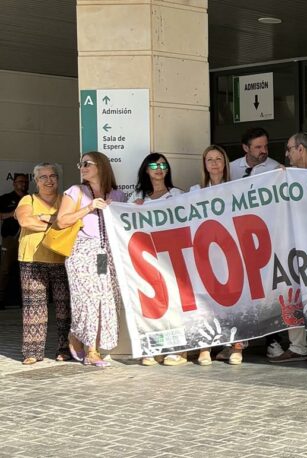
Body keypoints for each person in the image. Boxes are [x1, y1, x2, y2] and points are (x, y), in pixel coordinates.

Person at [56, 152, 127, 367]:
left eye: (87, 163)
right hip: (81, 251)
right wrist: (89, 207)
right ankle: (91, 350)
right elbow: (61, 221)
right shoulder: (76, 191)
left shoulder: (117, 195)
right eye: (80, 164)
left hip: (105, 254)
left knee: (103, 298)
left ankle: (78, 337)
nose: (82, 167)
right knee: (86, 300)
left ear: (101, 166)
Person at [268, 132, 307, 365]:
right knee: (292, 292)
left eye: (289, 148)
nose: (287, 153)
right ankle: (297, 345)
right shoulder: (287, 176)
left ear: (301, 149)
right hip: (291, 242)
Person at [128, 153, 189, 365]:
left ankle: (178, 350)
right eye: (154, 164)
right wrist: (131, 209)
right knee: (153, 304)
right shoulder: (137, 197)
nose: (159, 168)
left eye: (163, 164)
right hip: (146, 260)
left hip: (171, 258)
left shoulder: (178, 194)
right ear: (146, 169)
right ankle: (155, 347)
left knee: (174, 304)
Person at [186, 145, 244, 365]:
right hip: (205, 253)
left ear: (225, 163)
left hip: (232, 252)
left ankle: (236, 346)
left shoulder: (237, 189)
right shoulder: (194, 191)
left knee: (235, 301)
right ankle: (204, 347)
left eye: (218, 159)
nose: (214, 163)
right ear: (204, 164)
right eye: (209, 159)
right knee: (205, 302)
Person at [14, 164, 71, 364]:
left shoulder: (66, 199)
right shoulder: (27, 199)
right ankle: (32, 352)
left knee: (65, 308)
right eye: (43, 177)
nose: (49, 180)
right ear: (36, 181)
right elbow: (25, 222)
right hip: (31, 259)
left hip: (61, 258)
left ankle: (64, 348)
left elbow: (71, 223)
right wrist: (55, 223)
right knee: (33, 307)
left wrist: (41, 218)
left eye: (53, 176)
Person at [0, 172, 29, 309]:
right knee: (5, 270)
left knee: (26, 270)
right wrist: (12, 214)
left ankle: (26, 300)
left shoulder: (31, 198)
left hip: (28, 239)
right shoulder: (6, 198)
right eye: (20, 182)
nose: (22, 184)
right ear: (14, 183)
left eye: (24, 182)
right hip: (10, 239)